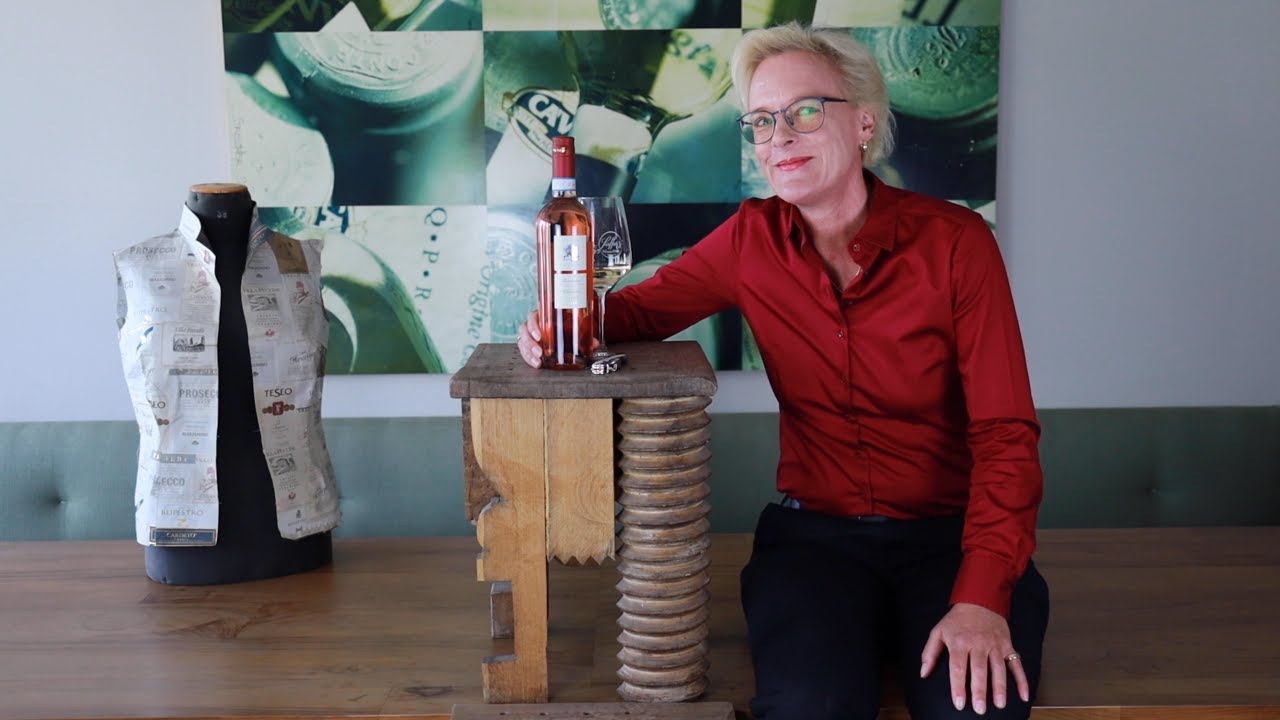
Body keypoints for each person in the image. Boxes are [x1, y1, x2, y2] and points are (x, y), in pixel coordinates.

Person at [516, 22, 1048, 720]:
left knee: (972, 710)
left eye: (804, 112)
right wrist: (558, 325)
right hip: (817, 543)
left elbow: (1007, 435)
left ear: (863, 122)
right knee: (808, 706)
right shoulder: (750, 238)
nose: (779, 137)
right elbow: (636, 314)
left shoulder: (958, 244)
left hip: (953, 538)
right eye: (762, 121)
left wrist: (981, 596)